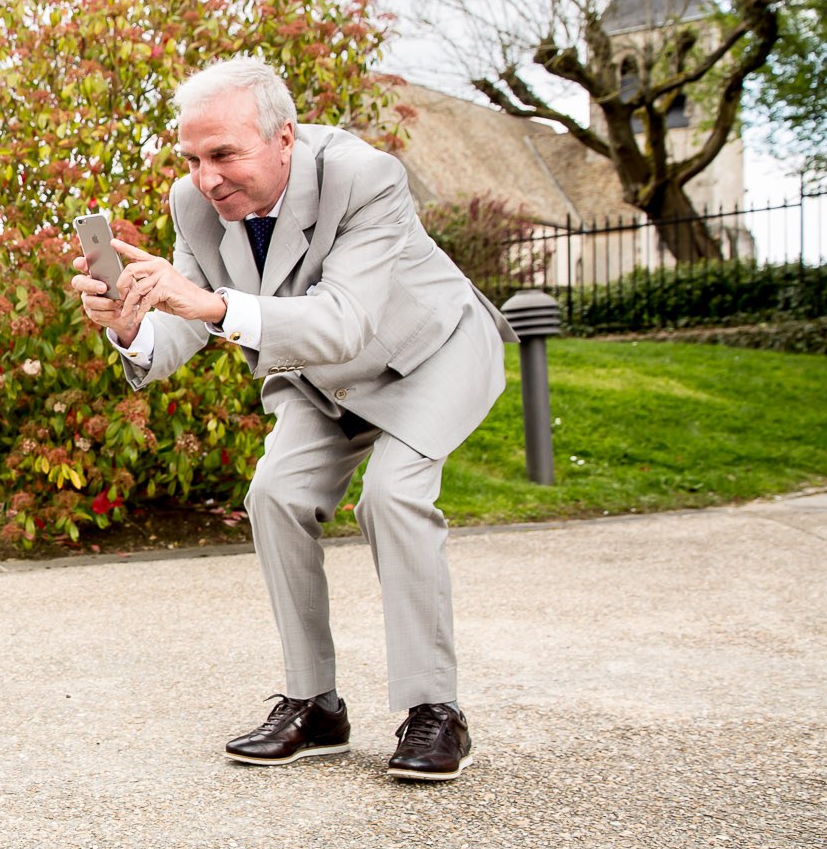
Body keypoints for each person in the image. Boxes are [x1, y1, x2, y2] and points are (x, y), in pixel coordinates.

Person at [72, 58, 516, 782]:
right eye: (192, 158)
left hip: (430, 356)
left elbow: (342, 322)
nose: (206, 178)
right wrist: (131, 324)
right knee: (273, 495)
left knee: (394, 496)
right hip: (320, 381)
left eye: (223, 155)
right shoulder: (195, 204)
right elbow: (183, 320)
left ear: (284, 138)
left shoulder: (365, 177)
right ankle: (315, 706)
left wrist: (210, 305)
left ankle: (436, 711)